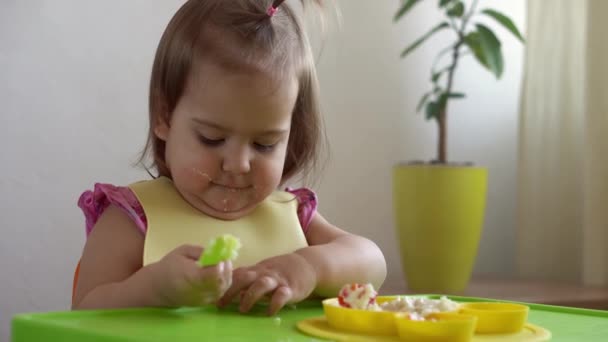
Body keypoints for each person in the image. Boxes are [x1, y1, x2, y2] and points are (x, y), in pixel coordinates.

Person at [72, 0, 386, 316]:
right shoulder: (134, 218)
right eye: (213, 139)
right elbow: (81, 314)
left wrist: (308, 268)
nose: (238, 164)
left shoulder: (292, 218)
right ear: (165, 117)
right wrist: (154, 288)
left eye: (265, 144)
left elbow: (373, 262)